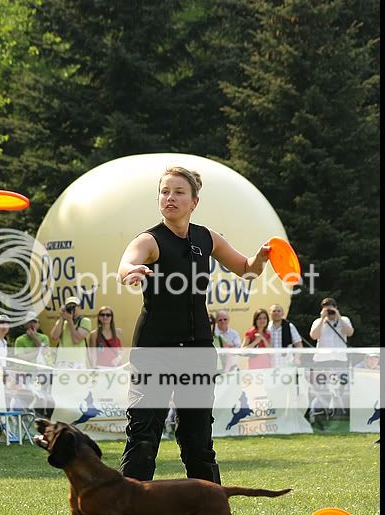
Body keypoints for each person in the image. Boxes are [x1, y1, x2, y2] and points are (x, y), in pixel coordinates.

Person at [116, 165, 269, 490]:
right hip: (154, 352)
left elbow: (246, 270)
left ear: (194, 201)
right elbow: (126, 263)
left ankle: (211, 511)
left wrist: (260, 259)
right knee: (143, 436)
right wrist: (131, 271)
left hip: (198, 351)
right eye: (164, 192)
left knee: (197, 440)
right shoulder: (150, 240)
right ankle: (125, 513)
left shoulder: (206, 238)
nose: (169, 198)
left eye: (178, 192)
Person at [309, 297, 354, 418]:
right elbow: (314, 336)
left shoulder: (344, 320)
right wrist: (322, 319)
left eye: (331, 309)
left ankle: (336, 413)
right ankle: (319, 412)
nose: (330, 312)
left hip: (339, 360)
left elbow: (350, 332)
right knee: (322, 389)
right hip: (321, 361)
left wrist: (338, 315)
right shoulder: (318, 322)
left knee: (339, 389)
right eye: (327, 310)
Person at [14, 311, 53, 417]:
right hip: (27, 374)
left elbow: (45, 352)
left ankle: (43, 418)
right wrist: (38, 350)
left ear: (38, 324)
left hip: (43, 373)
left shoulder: (44, 338)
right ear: (25, 324)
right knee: (28, 399)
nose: (32, 325)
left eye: (34, 322)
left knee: (44, 399)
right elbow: (22, 358)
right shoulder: (20, 340)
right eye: (29, 322)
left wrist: (34, 339)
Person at [50, 296, 92, 368]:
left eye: (74, 306)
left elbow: (76, 340)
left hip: (77, 361)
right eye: (69, 306)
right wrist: (61, 317)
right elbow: (54, 337)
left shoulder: (85, 321)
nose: (72, 309)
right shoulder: (62, 322)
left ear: (79, 307)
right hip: (61, 361)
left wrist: (69, 320)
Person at [268, 303, 303, 368]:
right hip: (270, 363)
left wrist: (296, 358)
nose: (276, 313)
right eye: (274, 311)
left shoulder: (290, 327)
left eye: (279, 311)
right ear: (270, 313)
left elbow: (298, 344)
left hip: (287, 363)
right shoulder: (267, 328)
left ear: (282, 313)